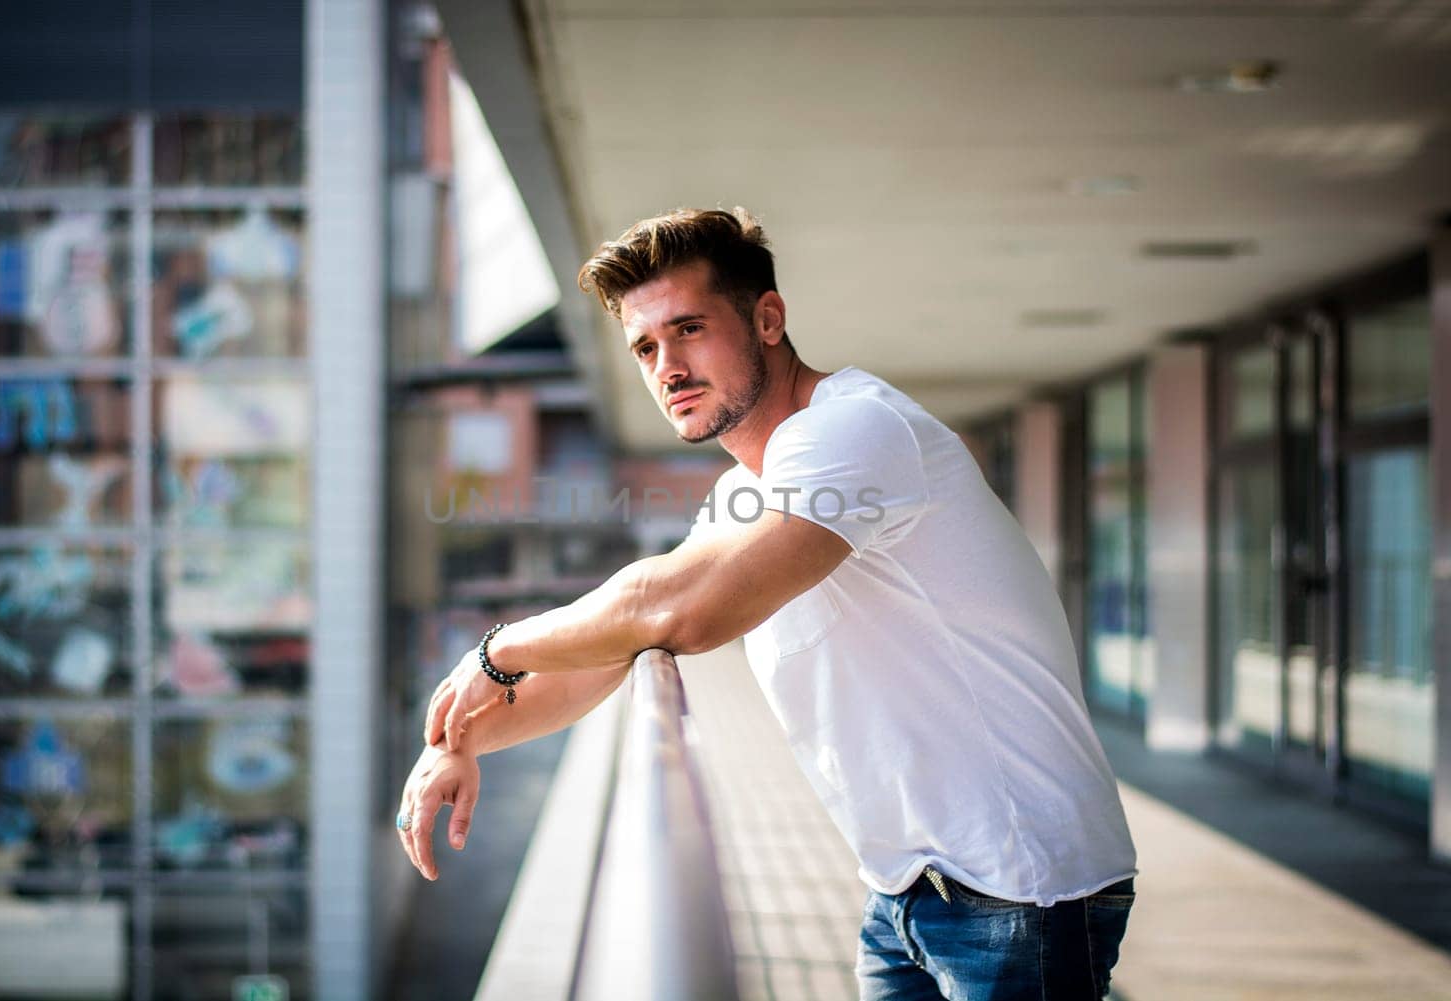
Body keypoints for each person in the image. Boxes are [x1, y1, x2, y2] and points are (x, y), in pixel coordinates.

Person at [396, 208, 1137, 1000]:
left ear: (768, 319)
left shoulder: (855, 429)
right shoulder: (744, 494)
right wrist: (460, 736)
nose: (667, 366)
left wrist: (498, 650)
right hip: (907, 891)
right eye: (645, 346)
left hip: (1023, 888)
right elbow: (611, 647)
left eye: (688, 329)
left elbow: (681, 608)